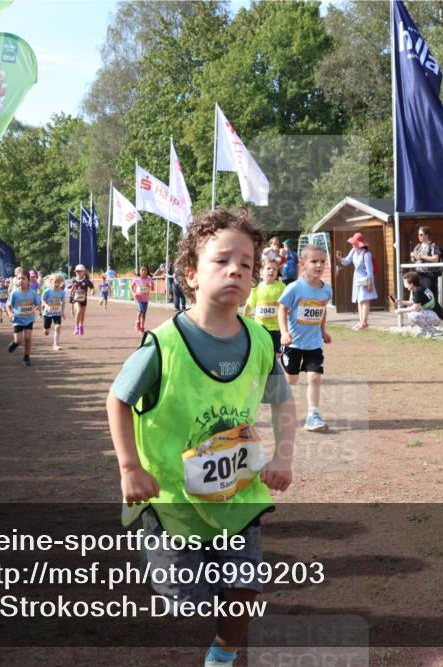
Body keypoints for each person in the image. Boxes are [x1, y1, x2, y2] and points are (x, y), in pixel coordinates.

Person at [105, 207, 295, 667]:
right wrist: (130, 468)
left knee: (244, 585)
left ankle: (223, 655)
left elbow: (283, 401)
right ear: (190, 274)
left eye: (247, 264)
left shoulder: (262, 341)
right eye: (221, 260)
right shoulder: (163, 344)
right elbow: (118, 400)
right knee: (185, 598)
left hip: (238, 492)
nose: (237, 270)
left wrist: (284, 454)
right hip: (173, 496)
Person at [279, 244, 333, 432]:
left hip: (313, 343)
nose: (319, 265)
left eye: (322, 261)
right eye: (314, 261)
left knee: (315, 377)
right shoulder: (295, 288)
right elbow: (282, 309)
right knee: (292, 380)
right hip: (293, 343)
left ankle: (313, 415)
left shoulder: (327, 290)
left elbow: (322, 309)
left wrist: (323, 331)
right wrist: (284, 333)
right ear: (303, 264)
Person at [244, 257, 286, 357]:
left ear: (277, 272)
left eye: (274, 269)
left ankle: (273, 368)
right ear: (261, 271)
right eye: (268, 268)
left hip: (276, 328)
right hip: (260, 327)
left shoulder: (281, 287)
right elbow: (249, 306)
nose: (271, 271)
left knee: (277, 354)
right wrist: (245, 321)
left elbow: (287, 305)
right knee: (261, 351)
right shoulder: (256, 289)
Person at [335, 232, 377, 330]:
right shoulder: (353, 251)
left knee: (365, 300)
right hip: (357, 279)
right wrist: (340, 258)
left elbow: (370, 270)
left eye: (355, 243)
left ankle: (364, 323)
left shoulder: (366, 254)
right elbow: (346, 262)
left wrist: (370, 283)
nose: (353, 245)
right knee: (359, 300)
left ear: (359, 244)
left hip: (365, 279)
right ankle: (361, 321)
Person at [6, 274, 41, 366]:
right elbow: (7, 305)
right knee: (19, 340)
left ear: (28, 281)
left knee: (28, 338)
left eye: (23, 278)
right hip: (17, 319)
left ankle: (26, 357)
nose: (21, 280)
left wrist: (38, 307)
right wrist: (10, 314)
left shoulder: (33, 293)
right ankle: (14, 344)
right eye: (19, 278)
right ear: (16, 281)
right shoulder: (14, 293)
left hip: (29, 318)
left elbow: (38, 303)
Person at [410, 226, 443, 294]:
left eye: (421, 234)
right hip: (419, 274)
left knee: (430, 295)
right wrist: (413, 256)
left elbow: (435, 259)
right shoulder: (418, 246)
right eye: (418, 234)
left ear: (427, 235)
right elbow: (413, 260)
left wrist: (423, 256)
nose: (419, 236)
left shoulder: (433, 246)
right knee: (420, 295)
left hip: (429, 275)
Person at [42, 273, 67, 351]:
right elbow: (43, 300)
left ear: (61, 282)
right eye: (55, 282)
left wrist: (62, 312)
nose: (57, 284)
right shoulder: (48, 291)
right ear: (51, 281)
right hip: (47, 313)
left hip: (57, 313)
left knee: (58, 327)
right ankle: (45, 329)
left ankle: (56, 344)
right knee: (46, 331)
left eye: (59, 282)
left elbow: (63, 302)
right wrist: (47, 306)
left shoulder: (62, 292)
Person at [70, 264, 94, 335]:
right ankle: (76, 327)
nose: (78, 272)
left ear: (83, 272)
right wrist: (71, 296)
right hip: (76, 299)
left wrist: (92, 292)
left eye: (80, 271)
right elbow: (72, 288)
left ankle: (81, 326)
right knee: (79, 311)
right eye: (77, 271)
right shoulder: (74, 280)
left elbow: (92, 288)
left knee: (83, 314)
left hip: (84, 300)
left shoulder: (86, 281)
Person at [131, 265, 153, 333]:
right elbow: (131, 287)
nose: (143, 271)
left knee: (144, 314)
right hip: (138, 298)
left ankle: (142, 327)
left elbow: (152, 289)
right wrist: (133, 293)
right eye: (142, 270)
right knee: (140, 310)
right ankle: (137, 322)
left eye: (145, 270)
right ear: (139, 271)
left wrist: (150, 286)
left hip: (145, 299)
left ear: (147, 271)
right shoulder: (136, 279)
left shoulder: (149, 279)